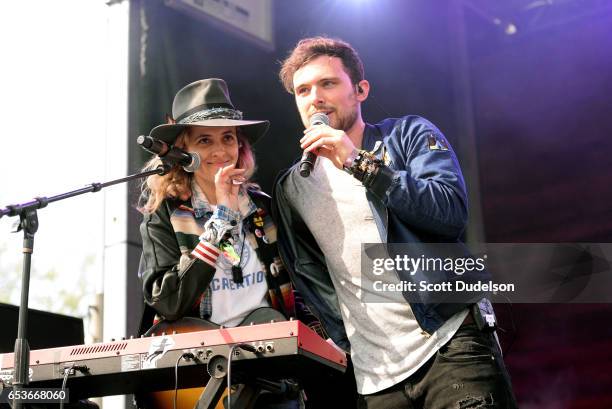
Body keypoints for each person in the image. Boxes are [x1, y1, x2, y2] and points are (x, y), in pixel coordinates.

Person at [272, 37, 518, 408]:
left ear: (360, 90)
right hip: (376, 376)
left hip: (450, 345)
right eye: (303, 90)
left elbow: (450, 211)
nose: (315, 98)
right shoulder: (292, 188)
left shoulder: (407, 135)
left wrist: (359, 163)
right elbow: (311, 276)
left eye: (328, 83)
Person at [138, 78, 302, 408]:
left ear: (240, 145)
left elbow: (296, 285)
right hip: (194, 374)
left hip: (268, 372)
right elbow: (167, 302)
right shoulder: (165, 212)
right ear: (184, 152)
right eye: (204, 140)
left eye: (228, 138)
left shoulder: (263, 207)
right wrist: (222, 215)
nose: (219, 150)